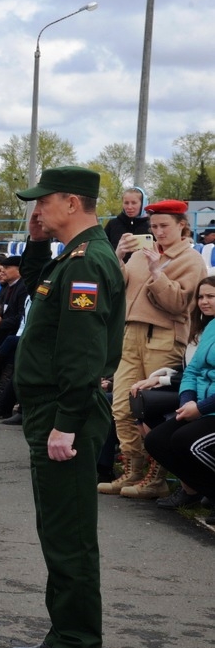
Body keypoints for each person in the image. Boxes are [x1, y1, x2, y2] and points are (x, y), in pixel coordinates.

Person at [9, 166, 123, 648]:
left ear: (73, 203)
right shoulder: (70, 259)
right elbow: (37, 293)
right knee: (56, 528)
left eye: (44, 202)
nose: (36, 210)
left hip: (65, 410)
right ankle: (62, 633)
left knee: (69, 532)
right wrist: (35, 243)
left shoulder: (87, 264)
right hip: (52, 408)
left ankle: (77, 645)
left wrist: (67, 424)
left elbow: (81, 353)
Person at [104, 199, 204, 498]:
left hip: (161, 336)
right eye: (154, 227)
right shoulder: (140, 253)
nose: (158, 232)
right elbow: (118, 288)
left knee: (151, 408)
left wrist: (157, 273)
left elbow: (178, 304)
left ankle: (155, 476)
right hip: (130, 333)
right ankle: (133, 469)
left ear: (182, 226)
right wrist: (118, 259)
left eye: (164, 226)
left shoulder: (191, 260)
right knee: (121, 405)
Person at [142, 276, 215, 508]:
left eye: (211, 296)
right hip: (199, 405)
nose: (204, 302)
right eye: (201, 297)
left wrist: (200, 408)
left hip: (209, 409)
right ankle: (206, 494)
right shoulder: (211, 327)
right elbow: (192, 370)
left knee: (186, 442)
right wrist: (187, 401)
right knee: (157, 440)